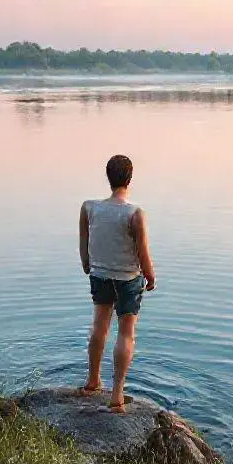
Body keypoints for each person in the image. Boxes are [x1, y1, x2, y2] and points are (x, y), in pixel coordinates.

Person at [78, 155, 156, 413]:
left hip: (99, 274)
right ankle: (116, 395)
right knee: (126, 333)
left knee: (99, 326)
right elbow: (142, 251)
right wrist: (150, 276)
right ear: (129, 178)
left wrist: (87, 263)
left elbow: (84, 242)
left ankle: (92, 381)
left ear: (108, 177)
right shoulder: (135, 213)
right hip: (128, 278)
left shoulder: (89, 208)